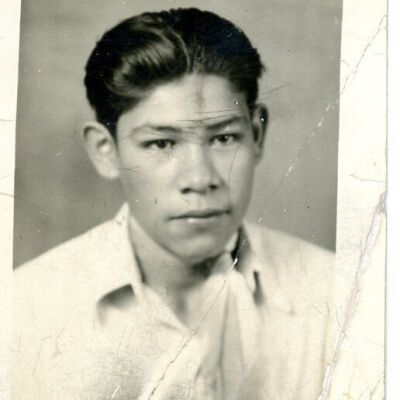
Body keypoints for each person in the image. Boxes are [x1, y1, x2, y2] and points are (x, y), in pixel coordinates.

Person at [12, 8, 335, 400]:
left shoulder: (337, 290)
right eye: (161, 143)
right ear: (105, 151)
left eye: (224, 138)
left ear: (256, 134)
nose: (199, 179)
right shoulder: (23, 307)